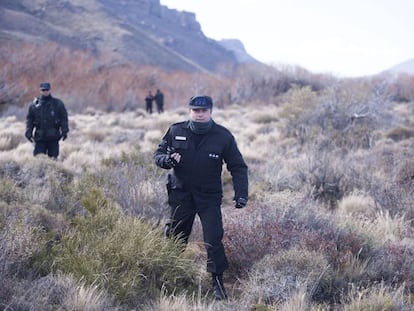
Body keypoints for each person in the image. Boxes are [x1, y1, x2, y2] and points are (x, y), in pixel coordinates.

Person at [153, 95, 248, 300]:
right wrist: (167, 161)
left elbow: (238, 167)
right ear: (190, 111)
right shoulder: (176, 130)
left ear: (210, 111)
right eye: (195, 110)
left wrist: (241, 194)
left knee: (213, 239)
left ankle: (217, 282)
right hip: (181, 195)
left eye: (203, 111)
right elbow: (158, 155)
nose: (199, 114)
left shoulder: (223, 136)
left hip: (208, 197)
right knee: (175, 238)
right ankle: (170, 277)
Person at [25, 82, 69, 159]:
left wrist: (64, 130)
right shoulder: (34, 105)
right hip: (40, 138)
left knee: (53, 160)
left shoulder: (57, 104)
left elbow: (63, 118)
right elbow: (30, 120)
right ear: (40, 90)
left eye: (47, 90)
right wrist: (28, 132)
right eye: (43, 90)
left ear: (50, 90)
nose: (45, 91)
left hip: (53, 137)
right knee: (39, 160)